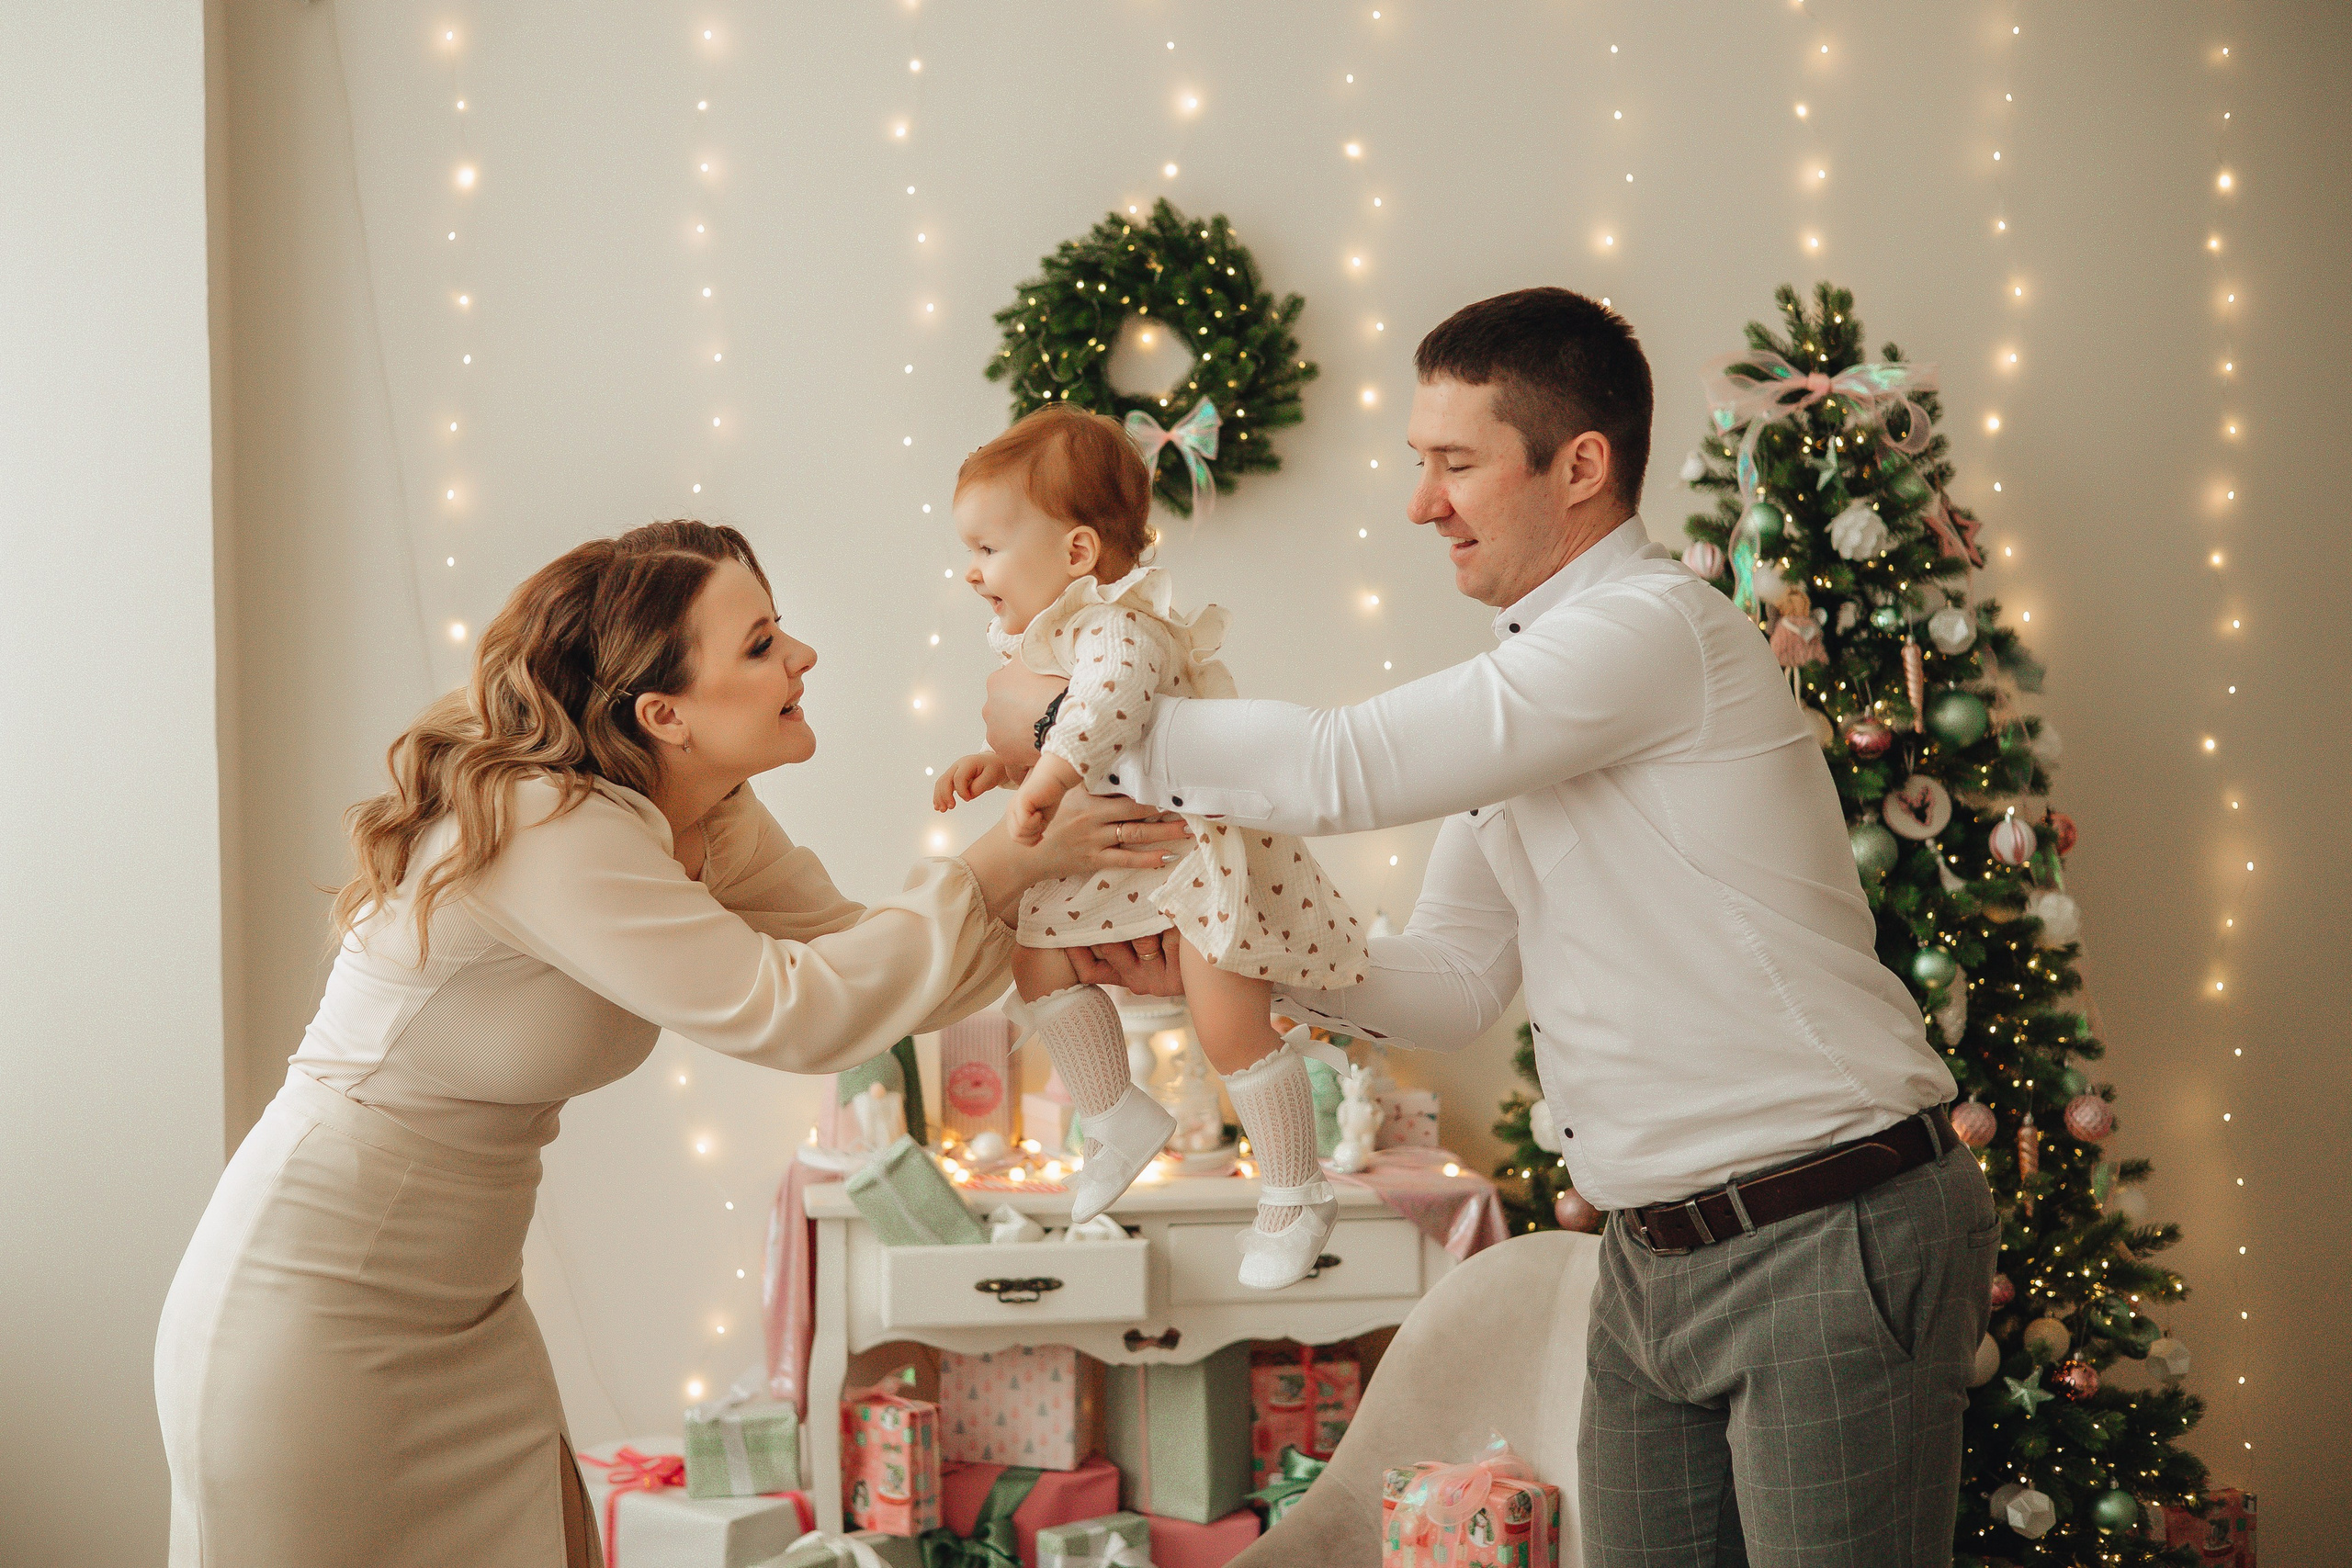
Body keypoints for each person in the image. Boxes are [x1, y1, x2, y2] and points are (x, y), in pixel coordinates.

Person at [1003, 289, 1998, 1567]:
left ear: (1580, 465)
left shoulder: (1649, 633)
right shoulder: (1545, 685)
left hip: (1825, 1220)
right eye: (1423, 463)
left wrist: (1058, 721)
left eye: (1454, 462)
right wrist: (1248, 960)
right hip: (1652, 1253)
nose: (1423, 503)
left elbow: (1335, 764)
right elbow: (1456, 976)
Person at [153, 521, 1187, 1568]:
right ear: (664, 714)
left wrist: (1072, 941)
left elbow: (861, 966)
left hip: (469, 1311)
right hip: (314, 1317)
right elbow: (799, 1011)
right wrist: (1003, 861)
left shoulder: (706, 816)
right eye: (758, 644)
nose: (801, 657)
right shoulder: (547, 824)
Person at [933, 406, 1367, 1289]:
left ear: (1078, 554)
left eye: (987, 549)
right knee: (1038, 962)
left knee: (1227, 1024)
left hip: (1193, 861)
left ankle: (1293, 1188)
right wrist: (1006, 763)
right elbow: (1090, 742)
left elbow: (1108, 711)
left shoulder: (1122, 628)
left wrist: (1048, 776)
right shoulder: (1058, 636)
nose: (972, 572)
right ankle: (1113, 1111)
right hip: (1128, 859)